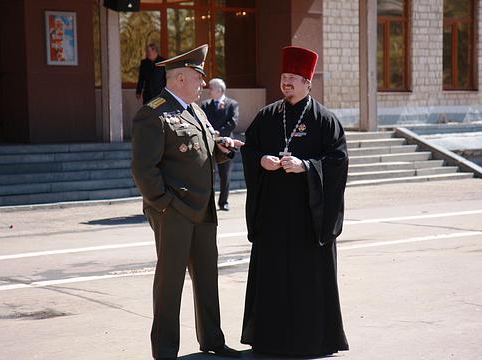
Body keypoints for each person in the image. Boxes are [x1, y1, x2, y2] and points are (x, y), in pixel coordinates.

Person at [131, 44, 243, 360]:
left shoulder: (195, 110)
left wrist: (222, 149)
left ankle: (212, 340)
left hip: (203, 207)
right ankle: (165, 350)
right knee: (170, 282)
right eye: (198, 77)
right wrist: (163, 203)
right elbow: (143, 169)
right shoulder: (152, 113)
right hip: (174, 211)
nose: (202, 85)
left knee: (207, 277)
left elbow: (202, 153)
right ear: (181, 78)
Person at [240, 46, 350, 357]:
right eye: (283, 77)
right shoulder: (267, 116)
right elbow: (250, 149)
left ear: (307, 82)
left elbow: (338, 161)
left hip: (308, 217)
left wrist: (306, 166)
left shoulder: (325, 120)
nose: (286, 83)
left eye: (293, 78)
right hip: (274, 214)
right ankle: (269, 340)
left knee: (307, 280)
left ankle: (312, 340)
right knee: (273, 277)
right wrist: (262, 160)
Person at [201, 78, 239, 211]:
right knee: (209, 175)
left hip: (225, 144)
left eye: (211, 88)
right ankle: (208, 202)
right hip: (209, 143)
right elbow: (203, 121)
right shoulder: (205, 105)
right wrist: (212, 133)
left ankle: (223, 202)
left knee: (225, 175)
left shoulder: (232, 104)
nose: (208, 90)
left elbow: (233, 122)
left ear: (219, 90)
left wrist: (219, 133)